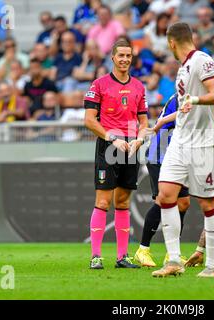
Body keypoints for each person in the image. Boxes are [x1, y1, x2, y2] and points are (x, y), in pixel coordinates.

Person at [151, 22, 214, 278]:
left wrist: (195, 99)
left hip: (203, 142)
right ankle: (172, 260)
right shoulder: (182, 68)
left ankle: (212, 266)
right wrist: (164, 120)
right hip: (180, 140)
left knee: (207, 203)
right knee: (166, 194)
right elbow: (184, 107)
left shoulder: (202, 60)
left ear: (172, 43)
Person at [84, 38, 149, 269]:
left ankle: (122, 257)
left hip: (131, 147)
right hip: (109, 146)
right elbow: (89, 121)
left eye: (128, 56)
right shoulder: (100, 84)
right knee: (103, 201)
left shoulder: (139, 87)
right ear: (112, 57)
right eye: (121, 55)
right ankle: (96, 256)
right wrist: (113, 138)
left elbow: (143, 120)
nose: (124, 59)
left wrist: (140, 139)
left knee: (123, 201)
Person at [134, 93, 190, 267]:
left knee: (183, 203)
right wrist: (161, 123)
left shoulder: (196, 95)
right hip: (159, 156)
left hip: (177, 157)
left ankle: (172, 254)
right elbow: (179, 115)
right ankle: (143, 250)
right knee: (163, 201)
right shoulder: (184, 96)